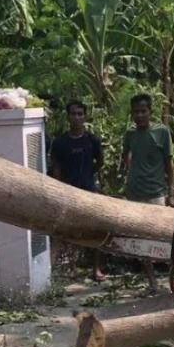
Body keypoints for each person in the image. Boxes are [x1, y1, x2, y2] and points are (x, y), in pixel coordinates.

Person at [120, 93, 174, 289]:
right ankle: (152, 281)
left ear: (150, 112)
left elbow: (169, 165)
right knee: (140, 241)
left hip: (156, 193)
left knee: (164, 237)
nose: (139, 115)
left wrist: (171, 192)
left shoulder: (162, 132)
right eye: (136, 112)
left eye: (143, 111)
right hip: (134, 193)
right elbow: (125, 155)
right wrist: (126, 172)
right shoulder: (130, 134)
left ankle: (173, 276)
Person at [50, 101, 105, 280]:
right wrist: (61, 188)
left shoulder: (92, 141)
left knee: (96, 230)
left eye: (80, 114)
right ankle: (70, 267)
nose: (77, 117)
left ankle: (96, 269)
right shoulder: (60, 143)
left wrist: (89, 178)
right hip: (68, 193)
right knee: (67, 231)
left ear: (85, 116)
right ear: (68, 116)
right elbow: (56, 167)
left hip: (89, 191)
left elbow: (100, 162)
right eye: (74, 114)